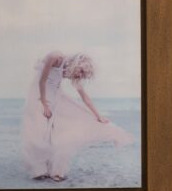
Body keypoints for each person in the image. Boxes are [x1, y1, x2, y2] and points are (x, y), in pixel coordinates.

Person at [21, 51, 134, 182]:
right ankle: (39, 170)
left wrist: (99, 116)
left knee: (59, 131)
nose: (80, 75)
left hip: (56, 98)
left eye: (83, 74)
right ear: (76, 64)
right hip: (39, 95)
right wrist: (44, 103)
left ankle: (55, 170)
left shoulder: (73, 74)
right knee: (39, 132)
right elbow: (42, 81)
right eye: (80, 71)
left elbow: (85, 97)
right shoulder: (55, 58)